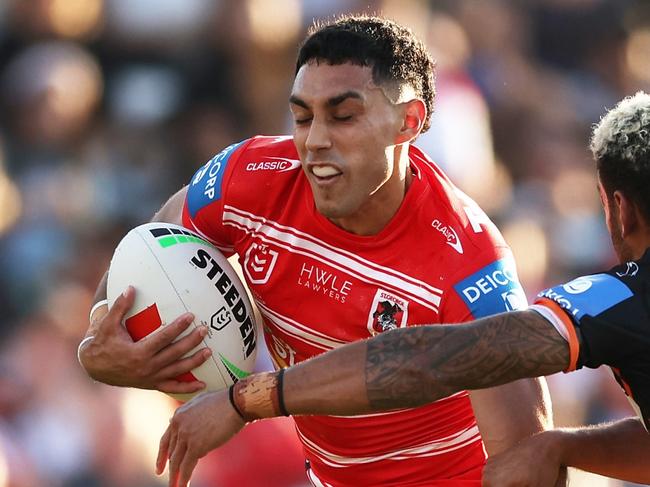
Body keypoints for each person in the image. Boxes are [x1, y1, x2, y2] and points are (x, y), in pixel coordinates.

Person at [79, 15, 554, 487]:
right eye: (303, 117)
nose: (316, 141)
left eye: (343, 116)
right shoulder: (250, 177)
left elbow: (530, 459)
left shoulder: (470, 262)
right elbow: (152, 243)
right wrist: (102, 336)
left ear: (408, 122)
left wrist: (242, 401)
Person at [156, 91, 650, 487]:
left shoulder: (618, 298)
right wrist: (564, 446)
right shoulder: (252, 174)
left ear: (620, 209)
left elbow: (442, 358)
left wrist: (247, 400)